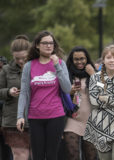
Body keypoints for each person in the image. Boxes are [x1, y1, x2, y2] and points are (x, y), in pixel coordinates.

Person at [16, 31, 71, 160]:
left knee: (52, 155)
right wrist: (20, 116)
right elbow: (23, 93)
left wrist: (57, 65)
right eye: (45, 43)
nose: (48, 46)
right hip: (35, 117)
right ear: (37, 45)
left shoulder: (61, 63)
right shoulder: (29, 66)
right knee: (38, 155)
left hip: (55, 116)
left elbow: (67, 88)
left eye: (51, 43)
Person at [0, 35, 31, 159]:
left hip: (36, 117)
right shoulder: (6, 70)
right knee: (19, 155)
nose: (21, 61)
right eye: (17, 58)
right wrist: (8, 92)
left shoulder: (38, 67)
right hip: (13, 119)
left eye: (24, 58)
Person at [64, 46, 97, 160]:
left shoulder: (94, 73)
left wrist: (93, 74)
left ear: (87, 59)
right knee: (72, 154)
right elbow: (59, 94)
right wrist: (70, 92)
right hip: (72, 119)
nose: (79, 62)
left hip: (91, 121)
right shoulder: (67, 74)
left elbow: (104, 89)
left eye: (82, 58)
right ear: (72, 61)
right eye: (76, 59)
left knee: (90, 156)